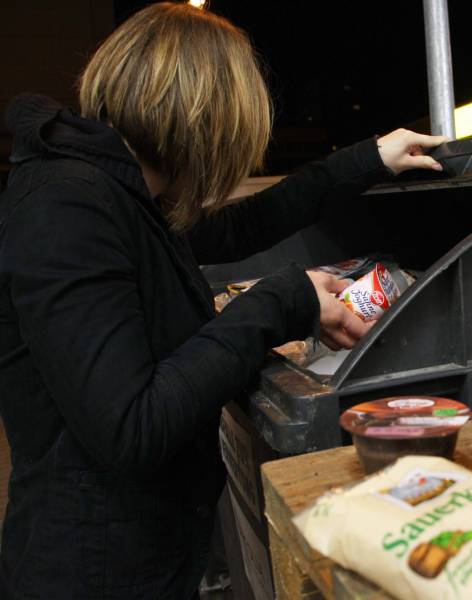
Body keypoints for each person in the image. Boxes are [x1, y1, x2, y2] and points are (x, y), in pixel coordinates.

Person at [0, 3, 446, 598]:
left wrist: (367, 159)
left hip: (143, 553)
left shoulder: (120, 190)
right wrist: (279, 301)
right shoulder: (69, 206)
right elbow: (132, 426)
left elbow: (243, 227)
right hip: (92, 570)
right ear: (202, 122)